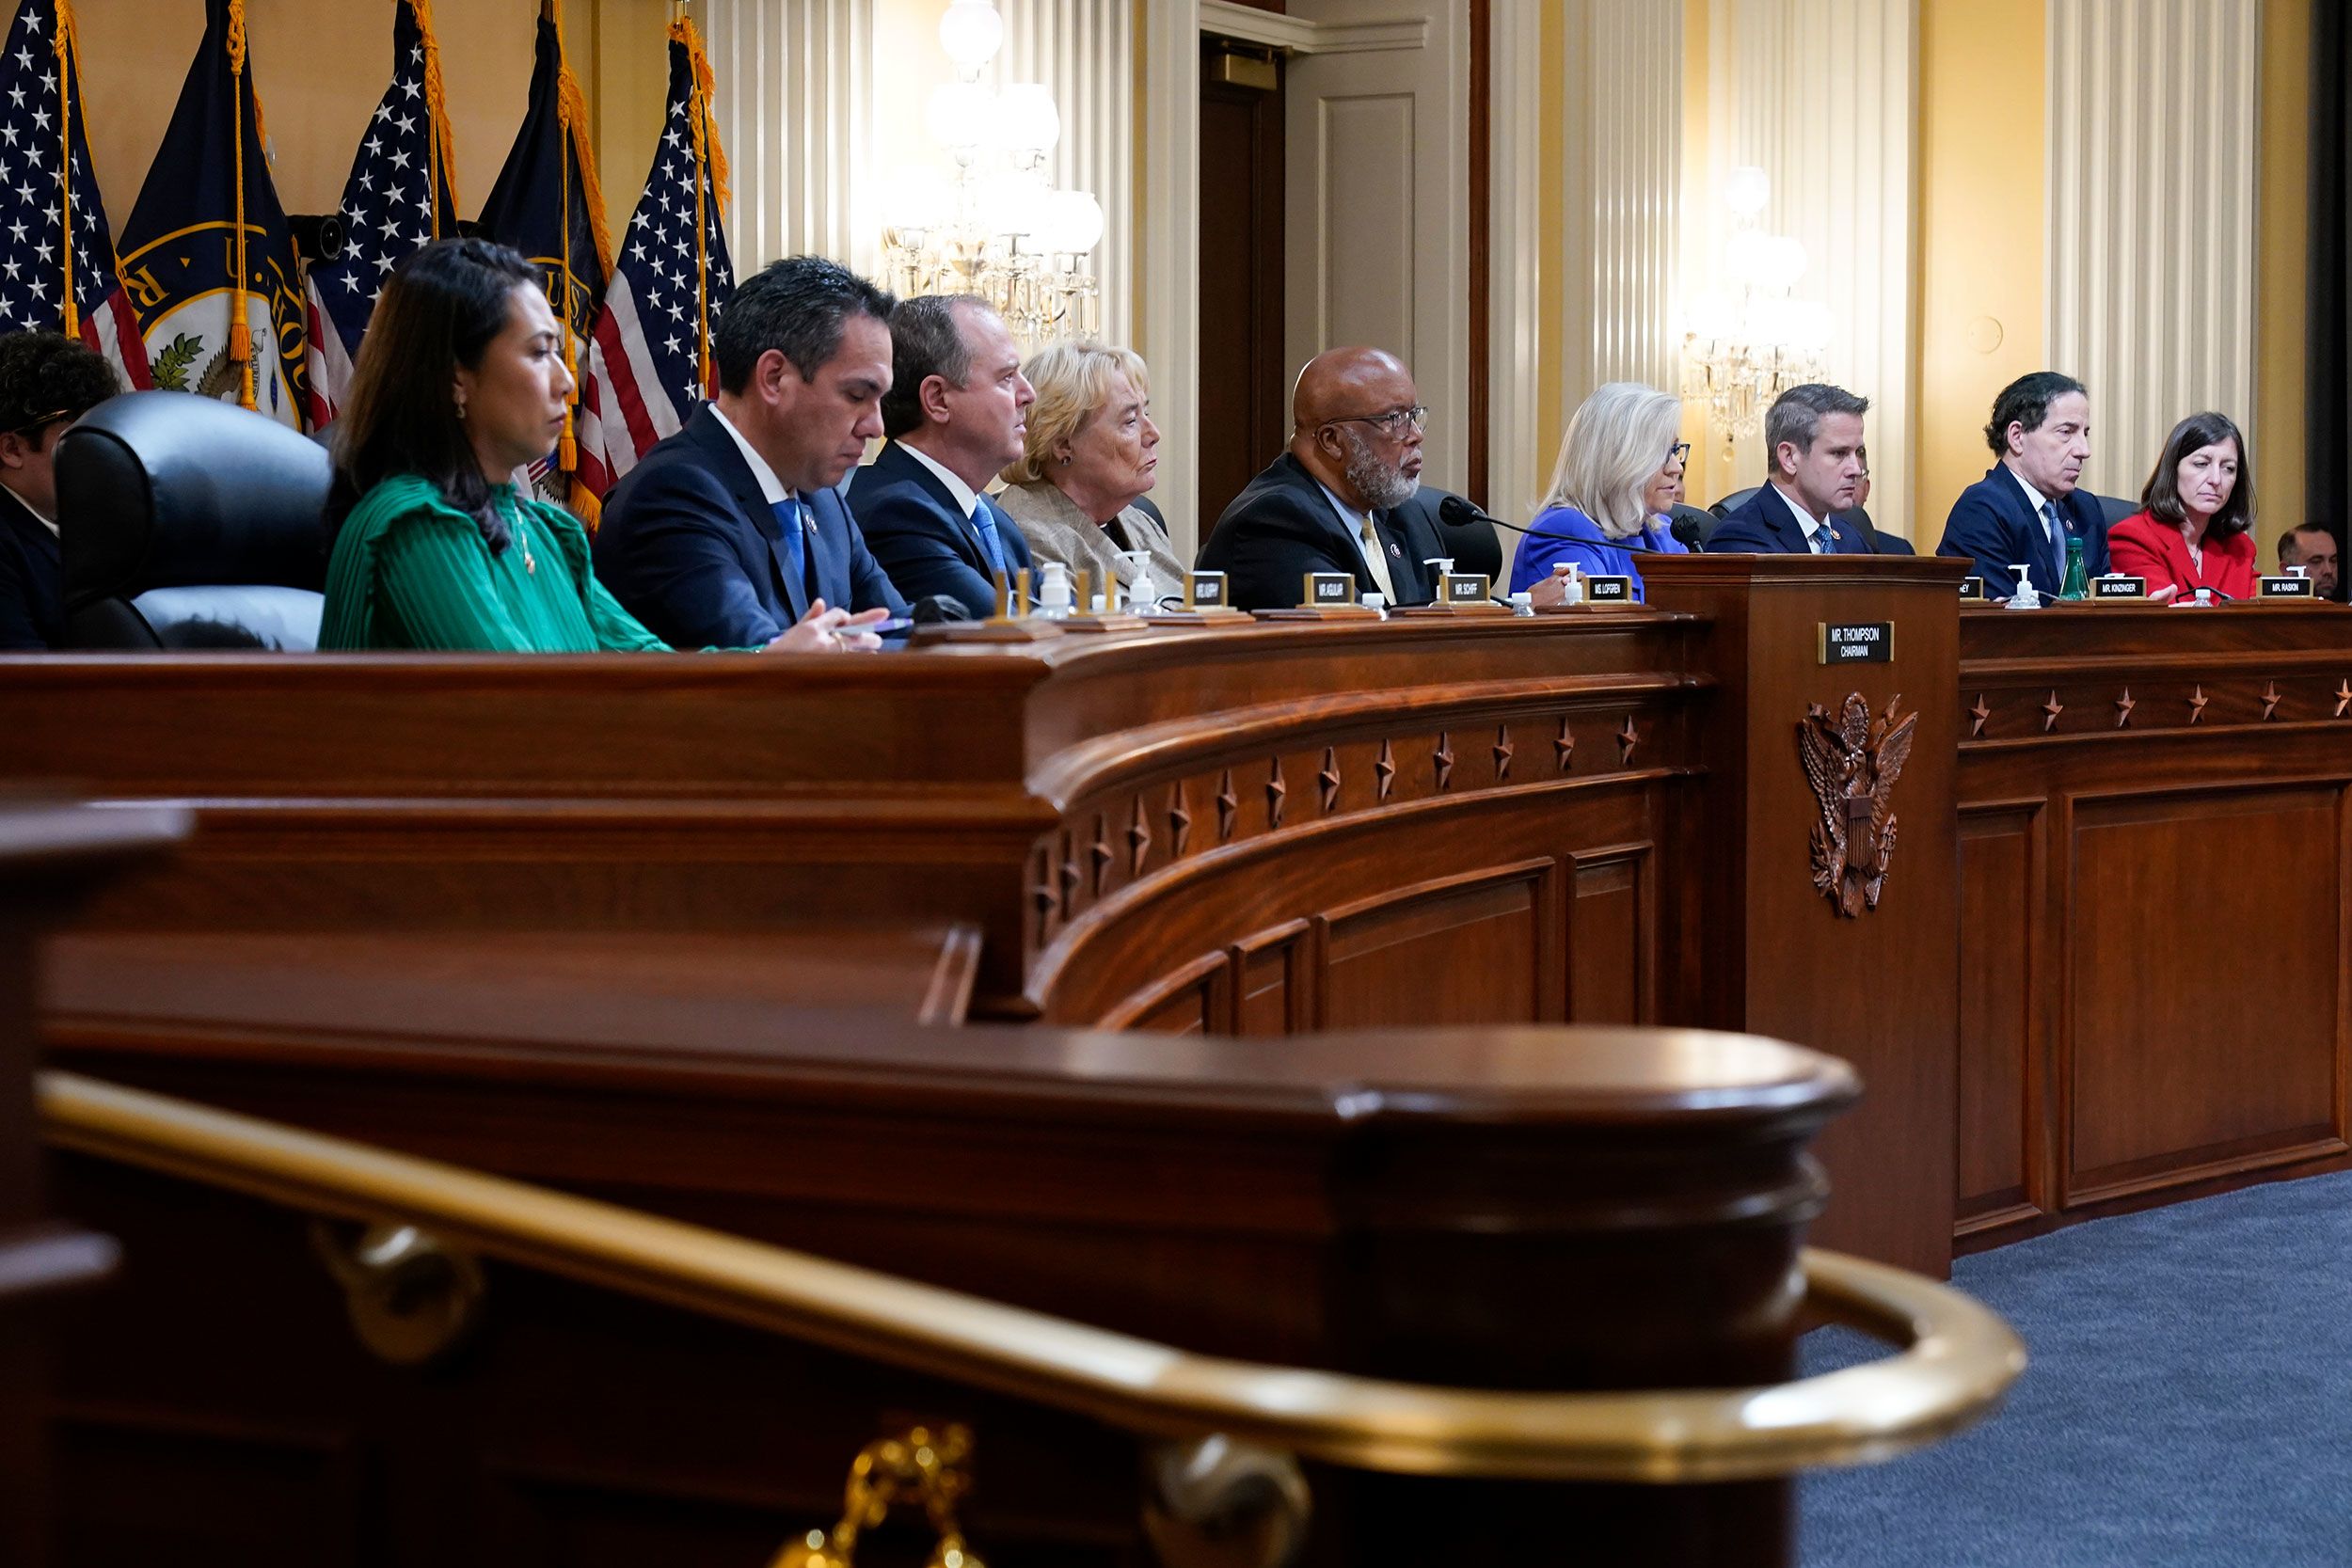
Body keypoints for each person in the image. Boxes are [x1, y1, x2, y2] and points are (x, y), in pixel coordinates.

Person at [321, 239, 879, 653]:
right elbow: (522, 710)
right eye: (540, 353)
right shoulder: (416, 524)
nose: (567, 381)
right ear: (454, 376)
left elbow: (644, 668)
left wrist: (773, 659)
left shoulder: (545, 531)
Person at [594, 256, 905, 647]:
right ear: (774, 378)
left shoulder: (825, 502)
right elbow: (756, 663)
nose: (876, 426)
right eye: (857, 395)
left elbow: (901, 629)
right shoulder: (672, 494)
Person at [1196, 345, 1444, 610]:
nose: (1416, 434)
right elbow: (1354, 639)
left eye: (1414, 415)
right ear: (1332, 440)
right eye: (1394, 418)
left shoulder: (1407, 516)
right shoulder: (1273, 523)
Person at [847, 294, 1037, 619]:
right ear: (938, 399)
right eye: (1006, 377)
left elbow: (1058, 617)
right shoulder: (895, 513)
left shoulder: (990, 515)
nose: (1028, 394)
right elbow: (1004, 632)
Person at [994, 341, 1184, 606]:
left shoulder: (1142, 521)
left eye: (1147, 413)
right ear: (1063, 444)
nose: (1153, 434)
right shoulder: (1028, 533)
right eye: (1130, 421)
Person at [1507, 382, 1688, 602]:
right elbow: (1606, 630)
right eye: (1660, 453)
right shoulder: (1563, 532)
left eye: (1675, 451)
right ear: (1614, 459)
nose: (1676, 468)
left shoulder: (1666, 533)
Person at [1934, 371, 2108, 598]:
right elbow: (2001, 623)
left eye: (2085, 434)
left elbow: (2105, 600)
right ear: (2017, 437)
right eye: (2066, 432)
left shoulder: (2086, 510)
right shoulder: (1981, 511)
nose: (2084, 450)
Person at [0, 332, 121, 649]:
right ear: (12, 448)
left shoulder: (95, 525)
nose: (99, 452)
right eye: (79, 435)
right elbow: (26, 686)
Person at [2106, 411, 2258, 602]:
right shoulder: (2133, 538)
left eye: (2228, 468)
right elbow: (2171, 620)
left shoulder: (2240, 548)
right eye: (2201, 464)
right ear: (2173, 470)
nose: (2216, 479)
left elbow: (2259, 616)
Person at [1705, 384, 1873, 554]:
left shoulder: (1851, 538)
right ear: (1789, 458)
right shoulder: (1740, 539)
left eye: (1857, 452)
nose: (1856, 470)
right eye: (1839, 453)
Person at [2278, 522, 2341, 600]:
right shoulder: (2272, 611)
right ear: (2287, 570)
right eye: (2316, 561)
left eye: (2333, 560)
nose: (2329, 570)